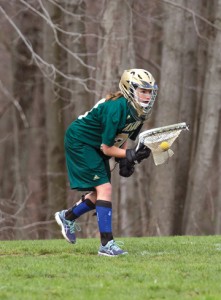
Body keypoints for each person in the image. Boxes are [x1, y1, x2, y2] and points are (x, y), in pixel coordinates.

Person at [55, 69, 158, 256]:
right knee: (105, 189)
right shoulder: (116, 108)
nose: (147, 95)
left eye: (150, 91)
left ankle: (67, 216)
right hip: (81, 141)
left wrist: (125, 157)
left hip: (96, 144)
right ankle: (106, 244)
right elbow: (106, 148)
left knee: (99, 193)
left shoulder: (140, 112)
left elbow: (123, 135)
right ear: (129, 89)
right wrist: (130, 154)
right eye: (143, 90)